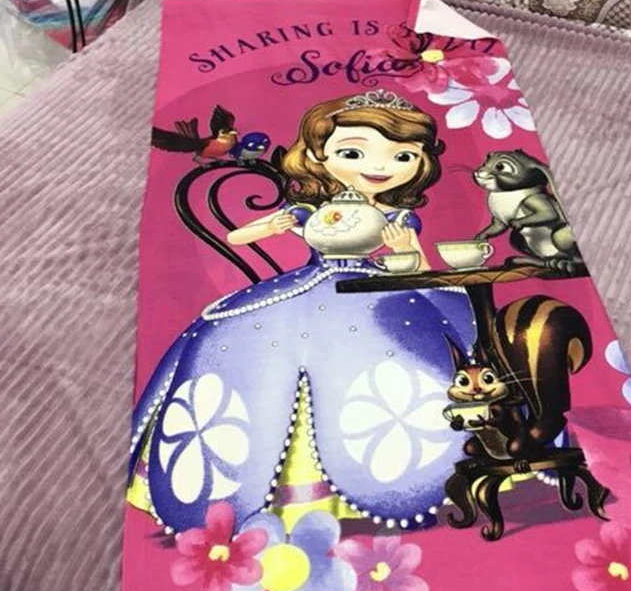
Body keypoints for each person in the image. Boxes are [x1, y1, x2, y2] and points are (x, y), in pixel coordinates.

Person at [128, 90, 475, 534]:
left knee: (414, 337)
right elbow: (237, 239)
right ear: (317, 155)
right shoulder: (311, 211)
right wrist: (270, 225)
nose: (380, 166)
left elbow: (421, 268)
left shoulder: (398, 217)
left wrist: (404, 250)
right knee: (240, 340)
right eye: (353, 153)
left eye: (402, 156)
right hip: (308, 285)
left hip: (380, 290)